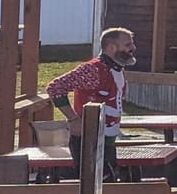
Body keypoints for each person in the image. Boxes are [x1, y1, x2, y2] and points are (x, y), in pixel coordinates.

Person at [46, 26, 136, 177]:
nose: (133, 48)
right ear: (111, 47)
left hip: (107, 136)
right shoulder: (93, 69)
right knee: (91, 183)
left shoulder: (115, 69)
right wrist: (73, 118)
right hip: (88, 137)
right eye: (128, 45)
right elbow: (55, 87)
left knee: (108, 180)